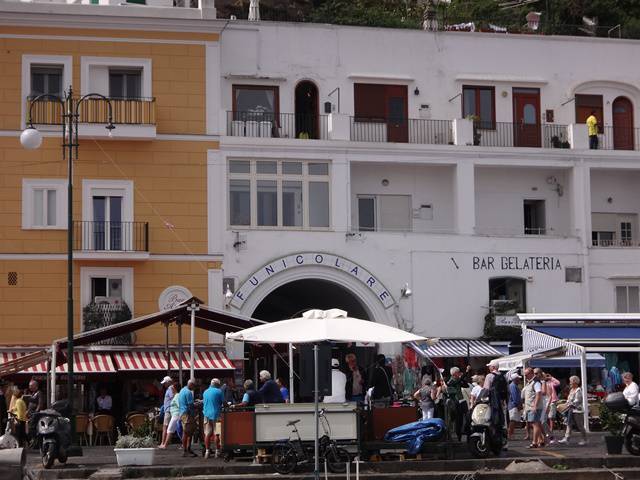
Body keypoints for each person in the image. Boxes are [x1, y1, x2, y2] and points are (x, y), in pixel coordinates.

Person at [558, 375, 587, 446]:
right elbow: (569, 399)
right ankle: (566, 438)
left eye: (571, 381)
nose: (570, 383)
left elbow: (578, 400)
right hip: (571, 410)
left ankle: (584, 439)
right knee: (569, 424)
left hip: (577, 410)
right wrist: (566, 404)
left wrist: (570, 404)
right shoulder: (571, 390)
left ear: (575, 382)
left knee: (580, 425)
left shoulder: (578, 390)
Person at [522, 367, 544, 448]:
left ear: (531, 373)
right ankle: (541, 440)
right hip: (529, 406)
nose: (525, 376)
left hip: (534, 407)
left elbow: (538, 393)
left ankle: (534, 442)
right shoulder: (530, 382)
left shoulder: (536, 382)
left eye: (526, 374)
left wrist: (535, 405)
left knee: (535, 424)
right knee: (534, 423)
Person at [446, 366, 470, 441]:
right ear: (454, 374)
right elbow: (459, 380)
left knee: (467, 417)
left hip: (462, 400)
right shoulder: (451, 381)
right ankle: (458, 436)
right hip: (456, 402)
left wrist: (463, 379)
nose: (459, 374)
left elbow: (466, 385)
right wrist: (466, 371)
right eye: (458, 372)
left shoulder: (458, 380)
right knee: (458, 420)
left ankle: (467, 433)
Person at [202, 378, 224, 459]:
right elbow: (223, 402)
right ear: (217, 385)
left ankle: (207, 452)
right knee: (217, 433)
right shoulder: (219, 391)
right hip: (216, 415)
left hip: (206, 415)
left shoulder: (205, 392)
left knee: (207, 434)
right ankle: (217, 452)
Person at [178, 379, 197, 457]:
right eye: (194, 386)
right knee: (187, 432)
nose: (194, 388)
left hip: (182, 413)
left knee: (187, 432)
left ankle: (187, 448)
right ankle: (186, 450)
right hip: (187, 414)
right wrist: (196, 404)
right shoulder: (188, 392)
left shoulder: (182, 390)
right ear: (191, 385)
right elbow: (190, 405)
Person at [543, 372, 560, 444]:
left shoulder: (550, 382)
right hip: (545, 402)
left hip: (552, 401)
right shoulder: (542, 383)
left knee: (551, 417)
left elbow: (558, 383)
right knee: (545, 418)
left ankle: (551, 431)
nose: (545, 377)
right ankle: (548, 432)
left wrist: (551, 377)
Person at [160, 376, 175, 449]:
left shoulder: (170, 389)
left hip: (168, 410)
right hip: (168, 409)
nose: (164, 384)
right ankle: (165, 443)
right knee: (169, 427)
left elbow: (173, 398)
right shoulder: (170, 388)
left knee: (165, 427)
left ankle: (163, 443)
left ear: (168, 382)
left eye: (165, 383)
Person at [507, 372, 522, 440]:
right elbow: (515, 396)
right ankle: (510, 435)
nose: (519, 380)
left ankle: (511, 434)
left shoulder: (514, 385)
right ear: (515, 379)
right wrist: (518, 404)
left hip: (514, 405)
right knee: (512, 420)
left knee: (514, 420)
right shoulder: (513, 386)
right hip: (513, 405)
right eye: (518, 378)